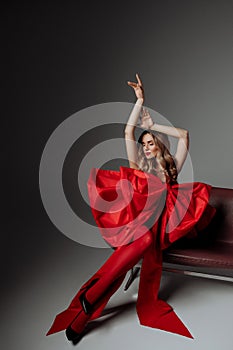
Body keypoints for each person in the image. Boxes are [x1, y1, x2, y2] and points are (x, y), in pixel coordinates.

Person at [46, 74, 216, 342]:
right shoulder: (138, 168)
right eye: (144, 144)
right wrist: (139, 102)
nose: (146, 147)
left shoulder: (171, 168)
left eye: (150, 143)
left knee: (142, 245)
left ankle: (85, 308)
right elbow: (127, 132)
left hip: (160, 232)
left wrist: (153, 125)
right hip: (134, 227)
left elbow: (184, 135)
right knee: (137, 245)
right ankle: (86, 308)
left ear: (158, 146)